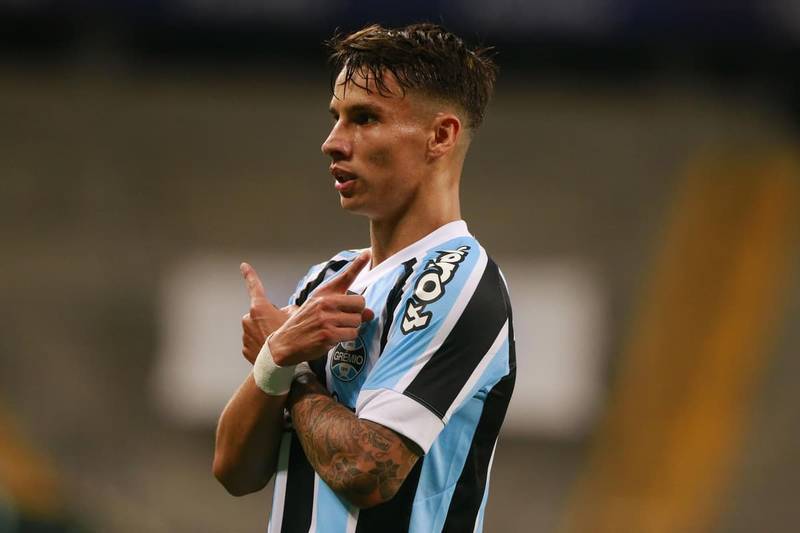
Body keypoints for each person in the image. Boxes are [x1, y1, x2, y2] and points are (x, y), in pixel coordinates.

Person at [213, 22, 516, 533]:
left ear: (440, 136)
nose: (332, 143)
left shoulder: (459, 281)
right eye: (336, 118)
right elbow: (234, 472)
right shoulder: (327, 278)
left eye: (365, 118)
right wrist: (272, 361)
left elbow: (368, 472)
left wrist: (290, 365)